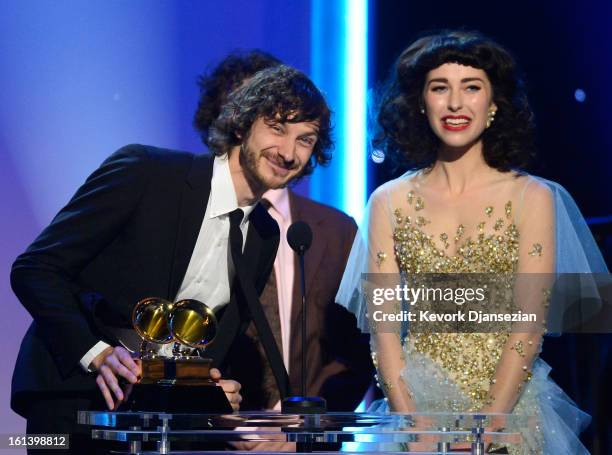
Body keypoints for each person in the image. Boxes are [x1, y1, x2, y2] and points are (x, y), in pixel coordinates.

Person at [10, 64, 332, 454]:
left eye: (306, 139)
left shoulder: (265, 233)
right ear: (243, 124)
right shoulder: (147, 172)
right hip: (74, 399)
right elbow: (35, 269)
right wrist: (96, 354)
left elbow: (205, 342)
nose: (288, 152)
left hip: (156, 421)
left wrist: (211, 389)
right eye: (277, 128)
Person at [336, 30, 609, 454]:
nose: (455, 103)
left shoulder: (532, 197)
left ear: (494, 103)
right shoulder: (389, 202)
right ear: (421, 103)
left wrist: (491, 426)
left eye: (472, 87)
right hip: (416, 410)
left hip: (511, 410)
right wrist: (413, 425)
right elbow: (384, 329)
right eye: (439, 88)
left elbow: (529, 323)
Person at [193, 50, 373, 413]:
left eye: (299, 130)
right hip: (204, 434)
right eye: (273, 121)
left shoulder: (337, 231)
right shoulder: (188, 211)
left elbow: (358, 351)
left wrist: (300, 420)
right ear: (236, 120)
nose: (285, 146)